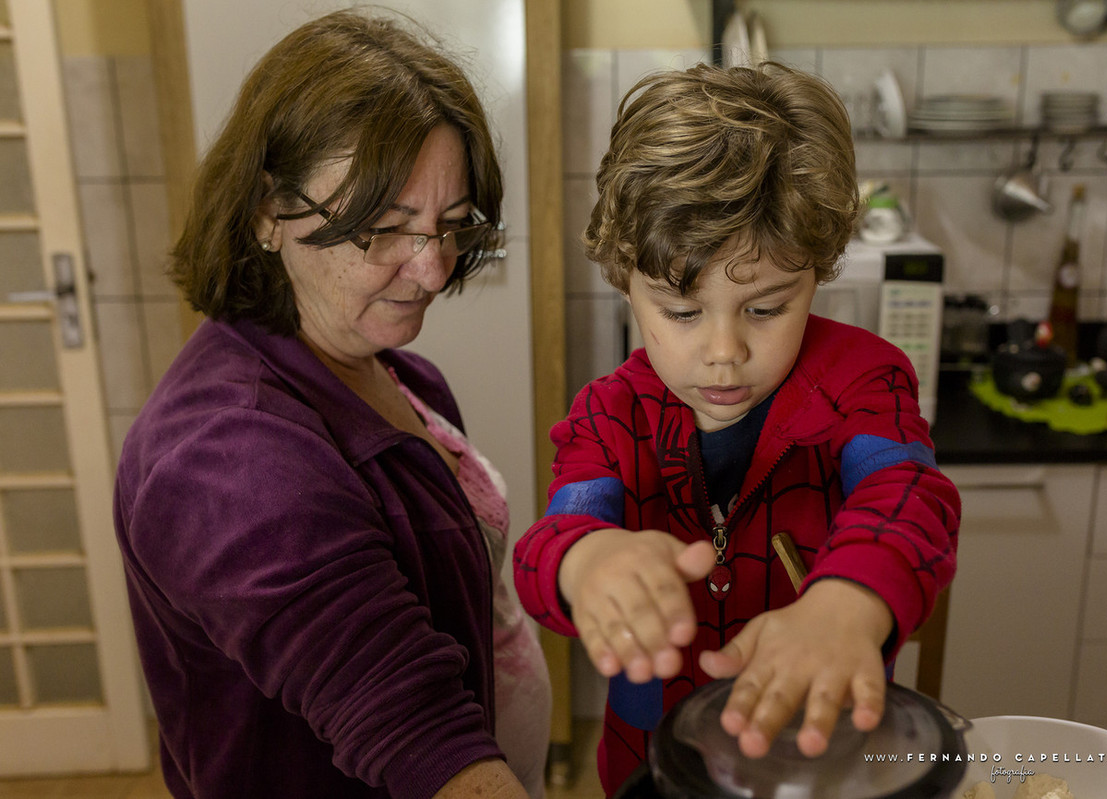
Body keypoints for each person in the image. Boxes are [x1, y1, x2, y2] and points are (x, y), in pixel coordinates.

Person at [112, 10, 549, 799]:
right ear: (265, 215)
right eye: (382, 229)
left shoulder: (397, 372)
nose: (431, 268)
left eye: (450, 226)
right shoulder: (226, 461)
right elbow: (414, 730)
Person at [513, 62, 961, 795]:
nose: (724, 352)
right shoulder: (609, 413)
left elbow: (910, 493)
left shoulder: (864, 382)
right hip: (652, 767)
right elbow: (550, 543)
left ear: (817, 272)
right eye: (682, 312)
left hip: (827, 757)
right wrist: (587, 564)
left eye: (765, 307)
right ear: (625, 279)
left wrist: (848, 600)